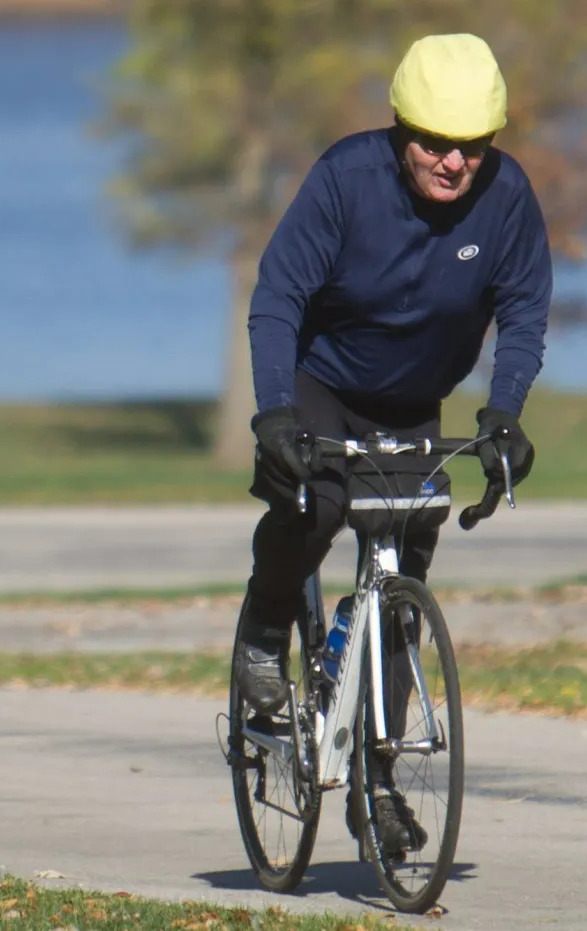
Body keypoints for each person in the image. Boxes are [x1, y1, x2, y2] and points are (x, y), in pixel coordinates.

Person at [231, 32, 551, 858]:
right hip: (324, 384)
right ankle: (266, 634)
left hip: (412, 401)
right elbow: (277, 298)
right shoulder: (345, 179)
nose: (454, 163)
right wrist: (274, 413)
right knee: (320, 502)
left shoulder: (507, 198)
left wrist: (505, 414)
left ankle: (376, 784)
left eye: (472, 146)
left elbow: (523, 312)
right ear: (402, 130)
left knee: (403, 568)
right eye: (436, 144)